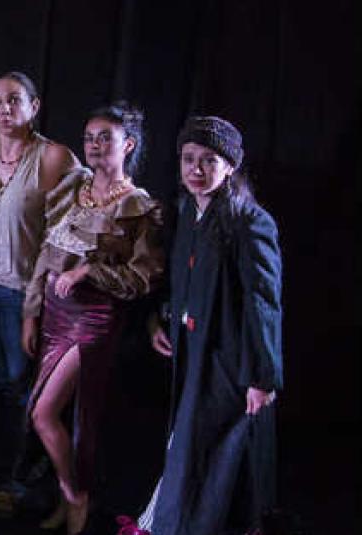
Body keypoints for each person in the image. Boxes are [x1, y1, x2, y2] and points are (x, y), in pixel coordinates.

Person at [124, 116, 281, 535]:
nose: (196, 168)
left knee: (215, 456)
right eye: (188, 158)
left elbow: (263, 304)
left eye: (209, 160)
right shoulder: (190, 214)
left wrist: (262, 377)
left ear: (229, 166)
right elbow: (183, 283)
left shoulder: (249, 223)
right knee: (190, 448)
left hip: (230, 363)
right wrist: (161, 320)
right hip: (194, 353)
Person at [20, 102, 164, 532]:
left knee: (47, 413)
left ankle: (77, 497)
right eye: (89, 138)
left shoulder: (140, 206)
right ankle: (69, 494)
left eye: (106, 138)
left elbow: (144, 278)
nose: (95, 145)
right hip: (55, 315)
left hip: (93, 320)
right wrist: (31, 311)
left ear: (128, 145)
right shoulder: (73, 190)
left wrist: (89, 271)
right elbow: (46, 255)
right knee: (56, 415)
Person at [0, 71, 78, 513]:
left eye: (14, 100)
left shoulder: (52, 156)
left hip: (21, 292)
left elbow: (61, 238)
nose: (4, 109)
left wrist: (33, 308)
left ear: (35, 106)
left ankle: (15, 477)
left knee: (19, 385)